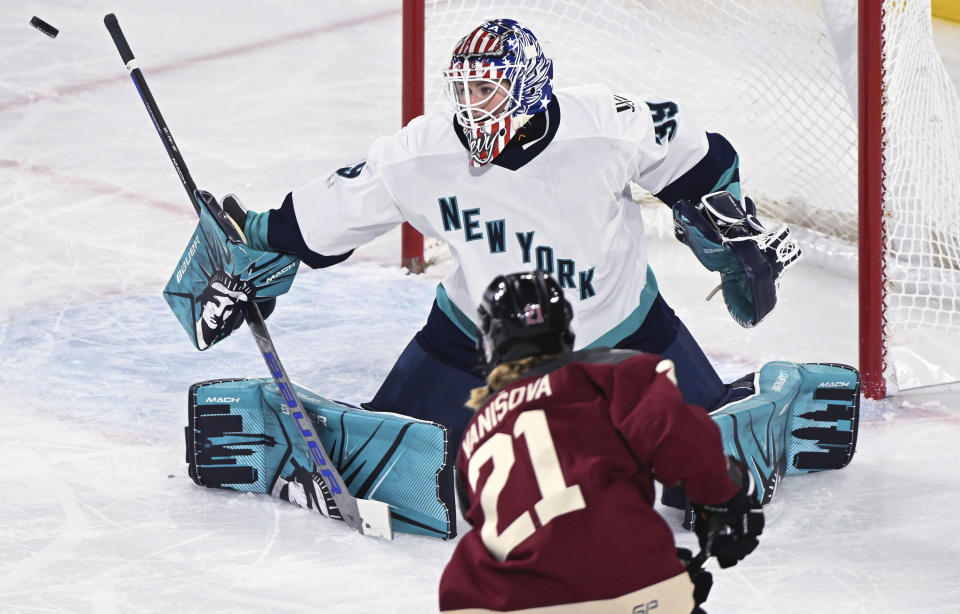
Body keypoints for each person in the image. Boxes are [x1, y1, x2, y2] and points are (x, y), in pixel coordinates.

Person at [222, 18, 800, 452]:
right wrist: (254, 233)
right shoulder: (424, 151)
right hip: (477, 334)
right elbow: (334, 209)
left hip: (619, 326)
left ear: (527, 91)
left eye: (487, 92)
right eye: (464, 91)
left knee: (703, 436)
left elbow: (700, 158)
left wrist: (726, 226)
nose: (470, 108)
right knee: (393, 439)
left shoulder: (603, 124)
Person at [437, 270, 764, 613]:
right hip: (631, 591)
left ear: (489, 343)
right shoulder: (610, 372)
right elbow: (683, 437)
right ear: (564, 329)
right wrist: (724, 498)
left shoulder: (476, 433)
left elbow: (498, 524)